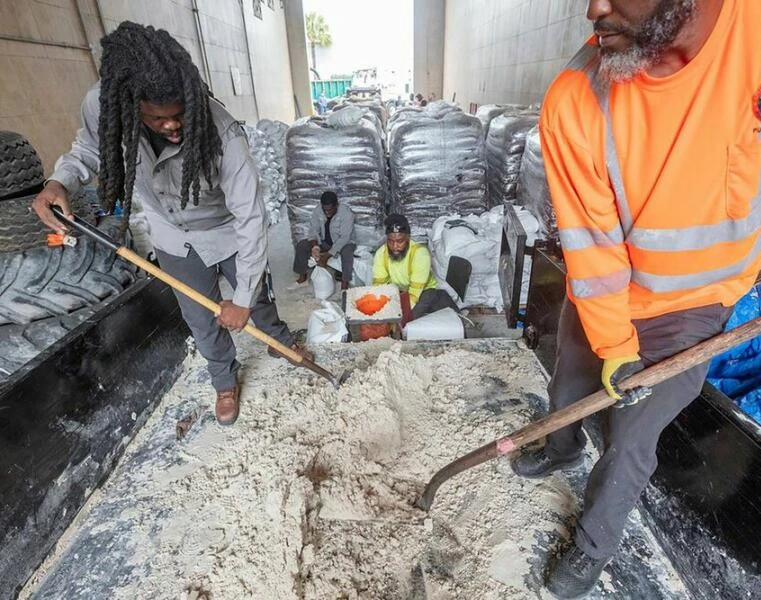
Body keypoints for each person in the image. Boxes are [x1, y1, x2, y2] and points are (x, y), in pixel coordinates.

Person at [511, 1, 761, 598]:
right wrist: (613, 344)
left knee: (632, 435)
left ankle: (591, 548)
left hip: (696, 310)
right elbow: (591, 250)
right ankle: (562, 445)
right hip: (610, 291)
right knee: (570, 383)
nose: (594, 8)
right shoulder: (578, 100)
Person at [32, 22, 313, 427]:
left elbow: (251, 217)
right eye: (159, 117)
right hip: (171, 233)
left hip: (226, 229)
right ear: (133, 105)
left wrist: (243, 298)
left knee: (257, 298)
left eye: (180, 114)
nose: (172, 125)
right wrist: (60, 180)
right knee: (200, 317)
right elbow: (90, 148)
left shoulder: (223, 132)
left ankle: (279, 342)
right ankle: (223, 379)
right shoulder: (106, 104)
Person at [372, 214, 458, 319]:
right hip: (402, 291)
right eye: (391, 241)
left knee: (407, 319)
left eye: (400, 241)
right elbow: (379, 286)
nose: (395, 246)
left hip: (424, 291)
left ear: (408, 238)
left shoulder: (420, 254)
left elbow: (414, 295)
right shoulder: (381, 253)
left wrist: (398, 316)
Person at [293, 191, 356, 289]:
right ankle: (302, 278)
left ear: (336, 205)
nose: (327, 213)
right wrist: (315, 246)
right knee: (301, 245)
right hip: (325, 242)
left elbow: (345, 238)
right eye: (325, 210)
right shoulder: (318, 210)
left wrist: (326, 256)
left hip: (344, 243)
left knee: (347, 253)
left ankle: (345, 285)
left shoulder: (346, 213)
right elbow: (313, 230)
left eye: (330, 210)